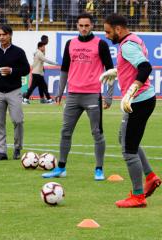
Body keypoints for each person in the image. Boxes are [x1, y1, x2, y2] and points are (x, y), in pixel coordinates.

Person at [42, 13, 114, 180]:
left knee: (97, 133)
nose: (83, 28)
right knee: (65, 132)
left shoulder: (101, 44)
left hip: (92, 95)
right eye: (81, 25)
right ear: (77, 26)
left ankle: (99, 169)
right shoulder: (70, 44)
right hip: (73, 95)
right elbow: (64, 70)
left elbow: (110, 72)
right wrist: (60, 92)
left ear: (92, 26)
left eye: (86, 25)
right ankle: (61, 168)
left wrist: (108, 96)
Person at [102, 13, 161, 208]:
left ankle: (137, 196)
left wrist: (131, 91)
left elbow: (145, 67)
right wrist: (117, 71)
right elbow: (135, 65)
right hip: (144, 100)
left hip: (138, 101)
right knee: (125, 139)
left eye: (108, 32)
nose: (107, 36)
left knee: (129, 149)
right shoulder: (134, 39)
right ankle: (150, 177)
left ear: (118, 29)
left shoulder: (126, 45)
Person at [0, 24, 30, 160]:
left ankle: (17, 148)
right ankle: (1, 152)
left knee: (18, 121)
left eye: (4, 34)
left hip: (14, 91)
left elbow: (26, 70)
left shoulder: (19, 52)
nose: (1, 37)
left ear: (10, 35)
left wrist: (12, 71)